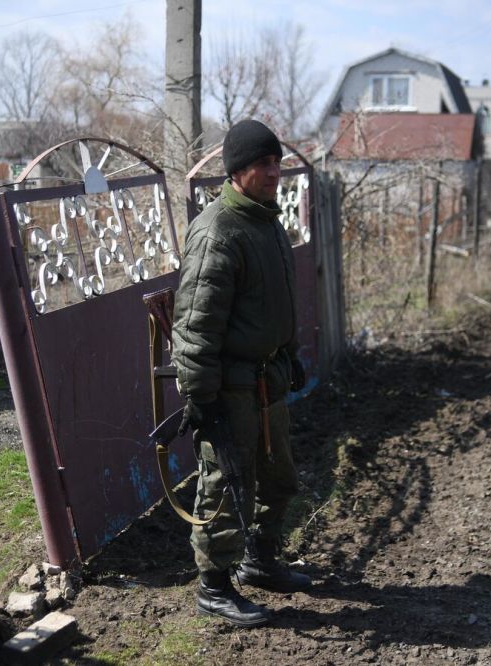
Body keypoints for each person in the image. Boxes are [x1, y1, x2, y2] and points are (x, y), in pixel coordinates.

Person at [171, 119, 311, 628]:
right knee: (226, 486)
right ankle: (214, 586)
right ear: (238, 170)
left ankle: (262, 562)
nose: (275, 171)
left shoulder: (266, 221)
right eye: (264, 164)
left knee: (279, 478)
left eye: (277, 162)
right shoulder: (217, 231)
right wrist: (201, 398)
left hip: (268, 378)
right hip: (230, 388)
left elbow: (280, 301)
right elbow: (194, 326)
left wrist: (290, 354)